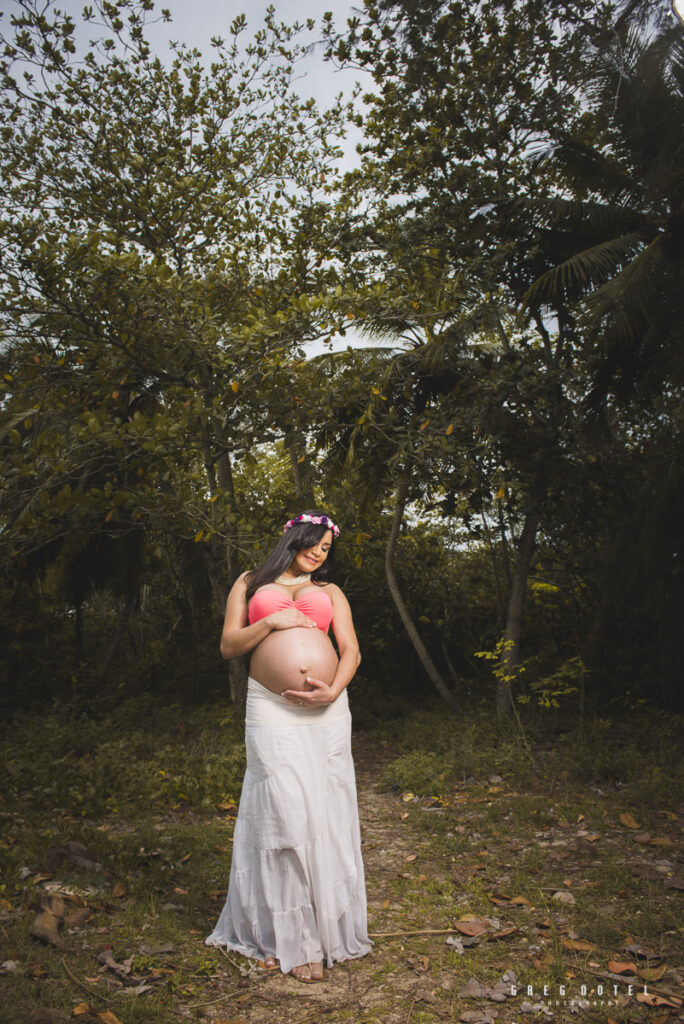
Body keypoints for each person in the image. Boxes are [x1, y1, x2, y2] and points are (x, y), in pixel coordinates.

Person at [206, 510, 372, 983]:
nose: (320, 553)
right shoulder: (250, 582)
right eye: (315, 543)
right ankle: (294, 940)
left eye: (326, 548)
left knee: (325, 808)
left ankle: (324, 929)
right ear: (295, 537)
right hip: (270, 708)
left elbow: (352, 649)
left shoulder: (332, 593)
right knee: (283, 808)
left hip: (327, 711)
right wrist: (272, 622)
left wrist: (335, 688)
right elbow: (229, 645)